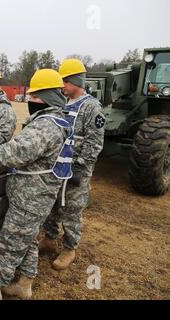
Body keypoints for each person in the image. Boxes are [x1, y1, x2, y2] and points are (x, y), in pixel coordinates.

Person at [0, 69, 74, 300]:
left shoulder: (47, 126)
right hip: (36, 195)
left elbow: (16, 152)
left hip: (31, 198)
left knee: (9, 243)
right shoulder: (56, 120)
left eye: (35, 98)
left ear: (48, 98)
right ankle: (25, 284)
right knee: (28, 241)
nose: (30, 101)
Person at [40, 59, 105, 270]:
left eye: (66, 81)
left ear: (77, 81)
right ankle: (49, 239)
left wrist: (80, 167)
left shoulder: (91, 107)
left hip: (77, 169)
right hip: (57, 166)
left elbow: (95, 143)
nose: (63, 86)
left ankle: (69, 248)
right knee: (52, 204)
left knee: (71, 209)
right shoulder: (62, 103)